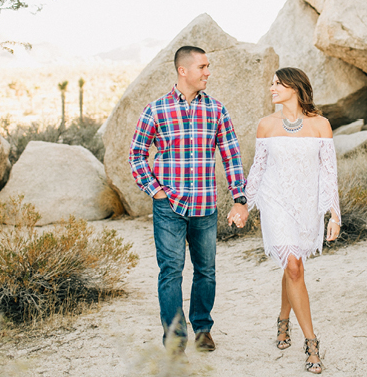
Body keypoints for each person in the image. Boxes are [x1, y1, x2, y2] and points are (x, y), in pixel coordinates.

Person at [129, 46, 249, 354]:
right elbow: (136, 154)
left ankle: (203, 328)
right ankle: (175, 336)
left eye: (208, 66)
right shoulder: (156, 110)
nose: (208, 72)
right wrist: (155, 190)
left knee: (206, 270)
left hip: (205, 206)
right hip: (168, 205)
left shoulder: (217, 110)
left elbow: (231, 155)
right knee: (171, 270)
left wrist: (239, 197)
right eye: (203, 67)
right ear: (184, 71)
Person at [227, 67, 340, 374]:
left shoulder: (321, 125)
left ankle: (282, 319)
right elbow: (258, 169)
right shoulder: (266, 124)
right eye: (272, 83)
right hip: (275, 200)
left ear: (295, 87)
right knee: (293, 265)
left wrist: (335, 214)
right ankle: (312, 343)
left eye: (277, 83)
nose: (272, 87)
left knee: (293, 265)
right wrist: (243, 205)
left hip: (306, 205)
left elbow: (329, 172)